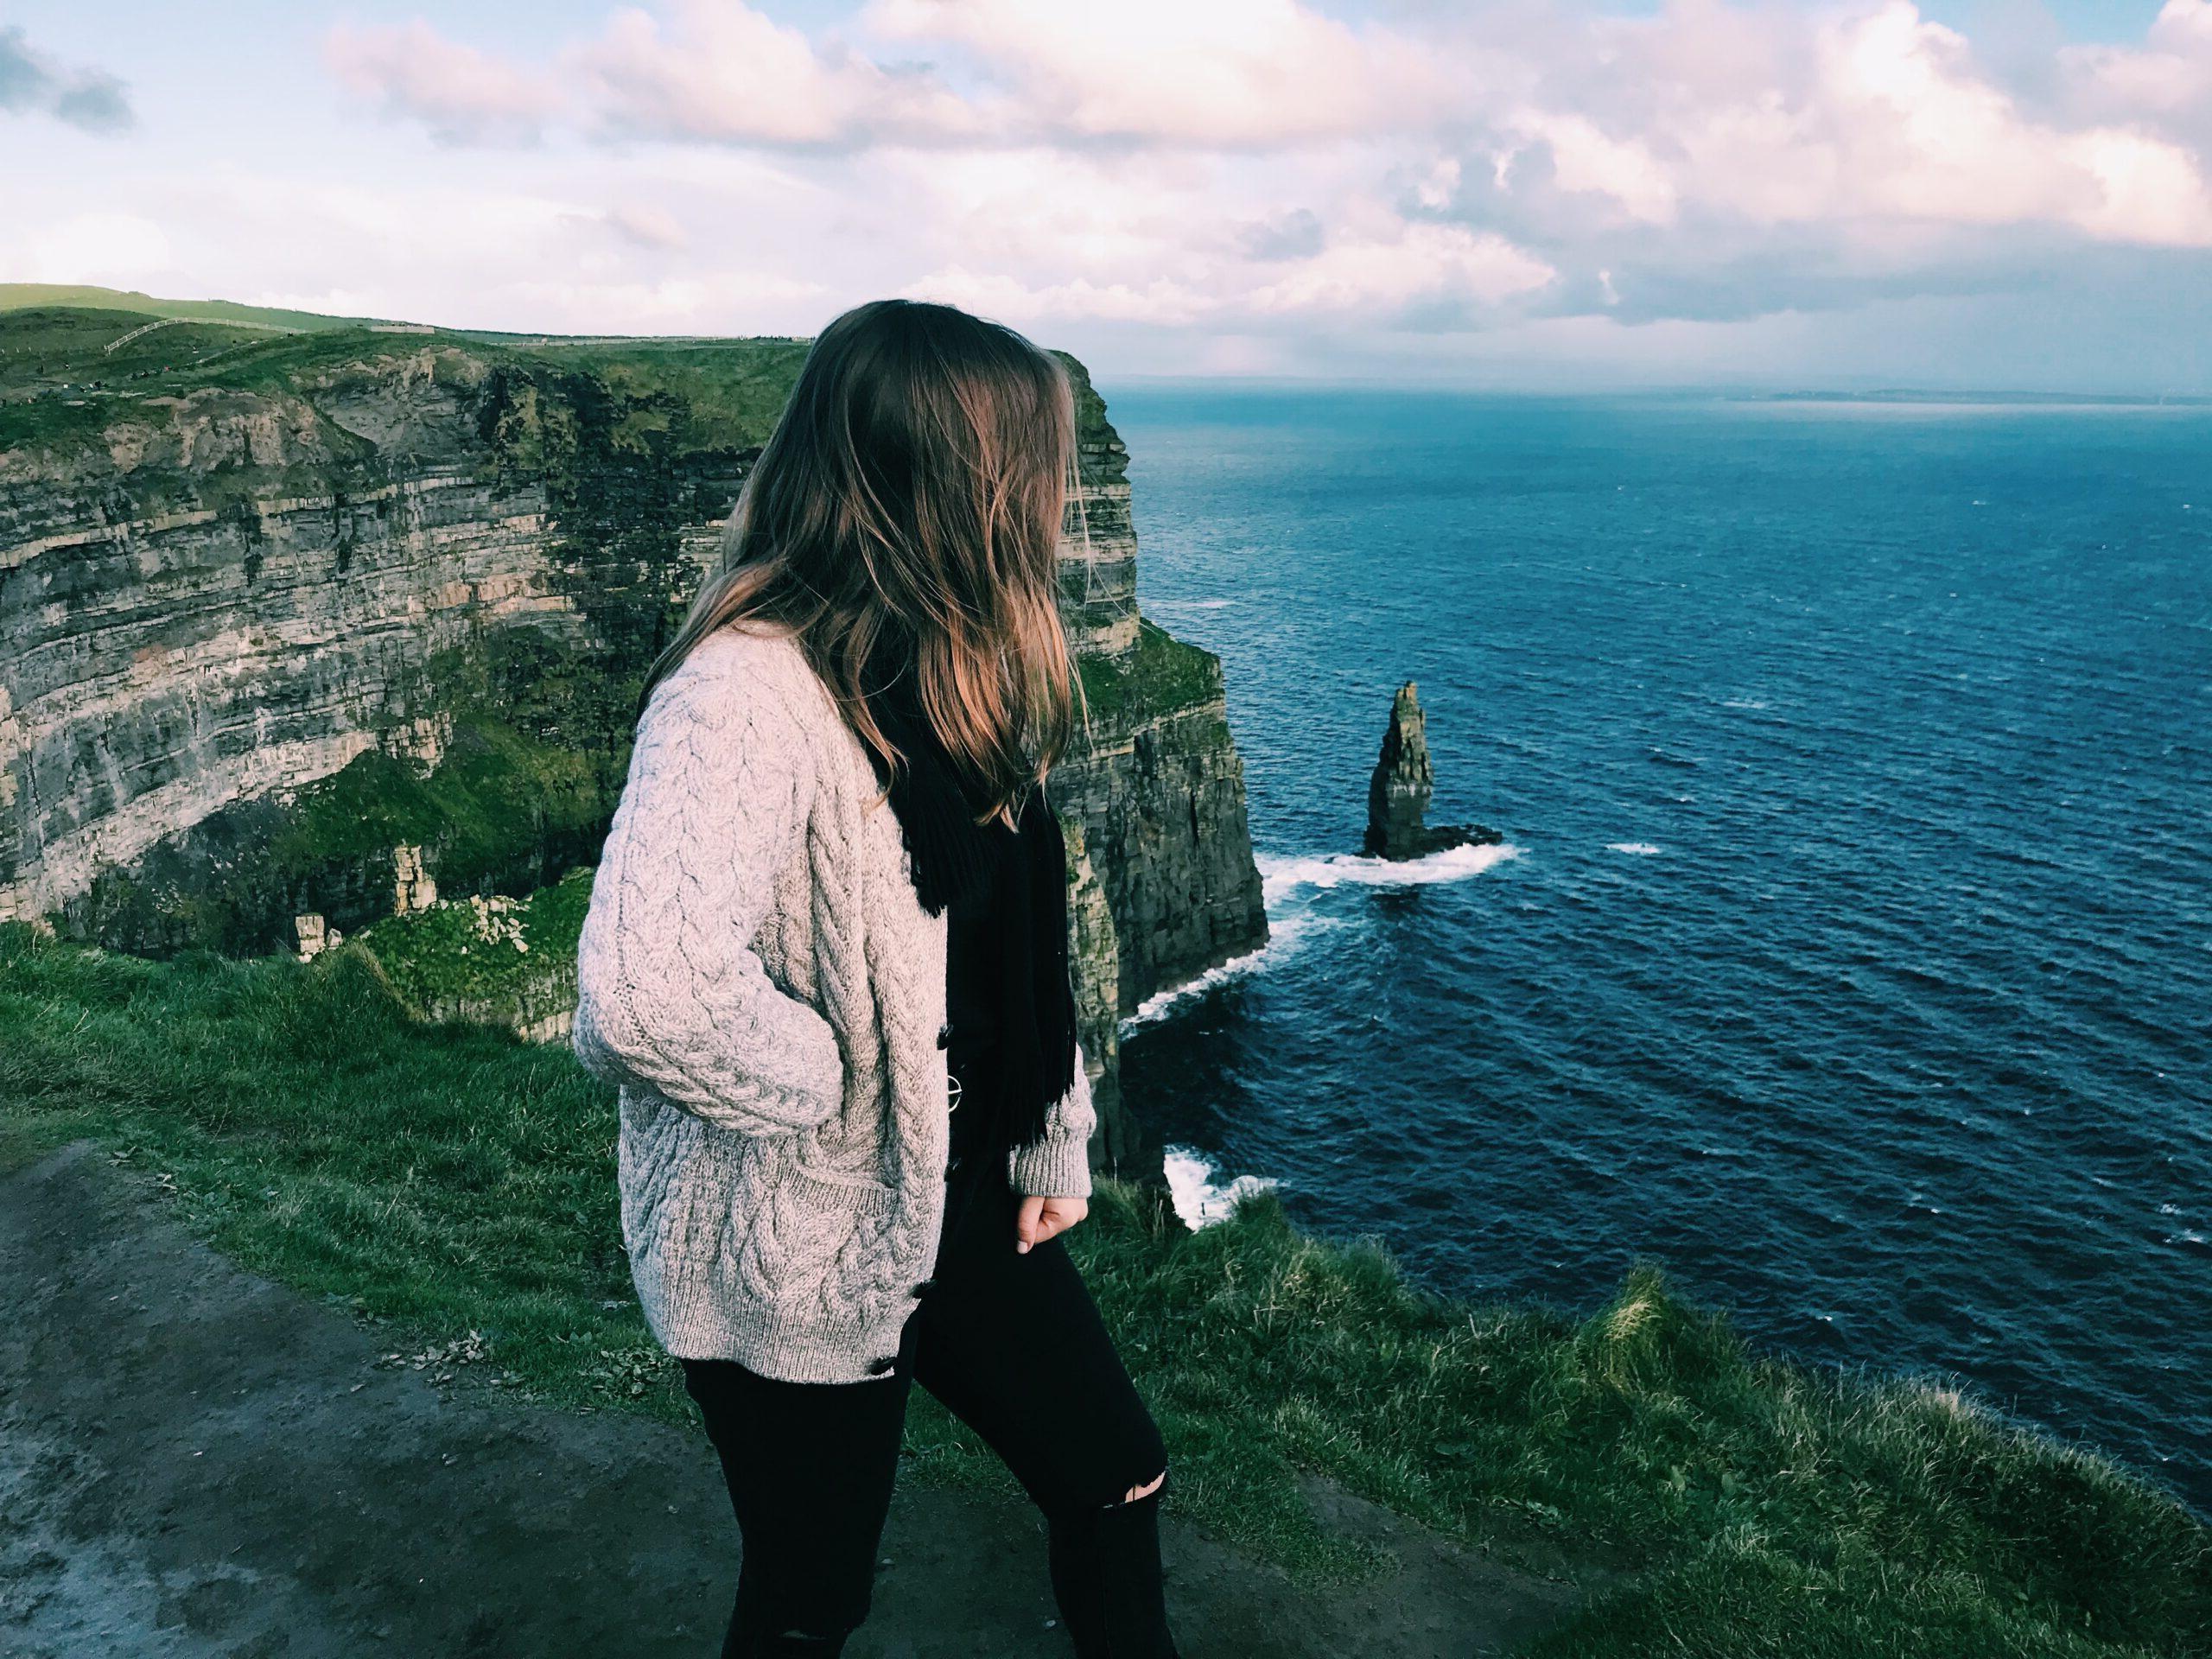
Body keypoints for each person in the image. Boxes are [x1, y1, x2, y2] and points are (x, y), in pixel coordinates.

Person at [570, 298, 1181, 1658]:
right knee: (810, 1591)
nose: (1053, 499)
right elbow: (642, 988)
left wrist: (1051, 1136)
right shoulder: (746, 691)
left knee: (1115, 1471)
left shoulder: (961, 662)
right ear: (950, 485)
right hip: (799, 1227)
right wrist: (841, 1082)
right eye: (1030, 466)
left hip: (957, 1194)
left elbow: (1010, 942)